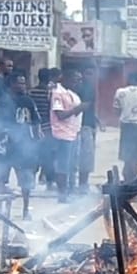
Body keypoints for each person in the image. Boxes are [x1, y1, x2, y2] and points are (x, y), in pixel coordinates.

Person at [0, 74, 41, 220]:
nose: (23, 85)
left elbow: (36, 122)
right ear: (12, 84)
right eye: (20, 82)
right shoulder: (3, 102)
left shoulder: (28, 101)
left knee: (25, 180)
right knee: (0, 179)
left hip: (23, 147)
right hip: (5, 146)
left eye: (23, 82)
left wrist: (35, 142)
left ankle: (26, 210)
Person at [48, 68, 84, 203]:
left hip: (73, 133)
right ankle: (62, 195)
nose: (78, 83)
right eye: (76, 80)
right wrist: (78, 109)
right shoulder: (58, 93)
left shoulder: (72, 94)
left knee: (71, 165)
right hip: (62, 134)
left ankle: (69, 192)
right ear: (66, 79)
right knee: (63, 166)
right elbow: (60, 114)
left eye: (80, 80)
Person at [112, 72, 137, 181]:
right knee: (135, 158)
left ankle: (127, 181)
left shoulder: (120, 92)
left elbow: (116, 111)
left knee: (127, 157)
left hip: (126, 127)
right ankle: (132, 184)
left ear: (127, 80)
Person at [75, 62, 101, 190]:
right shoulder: (84, 88)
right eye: (88, 73)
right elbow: (84, 106)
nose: (91, 76)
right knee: (85, 156)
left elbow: (90, 108)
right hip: (83, 126)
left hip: (89, 124)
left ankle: (82, 183)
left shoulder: (89, 87)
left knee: (86, 156)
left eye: (93, 73)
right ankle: (82, 184)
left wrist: (97, 120)